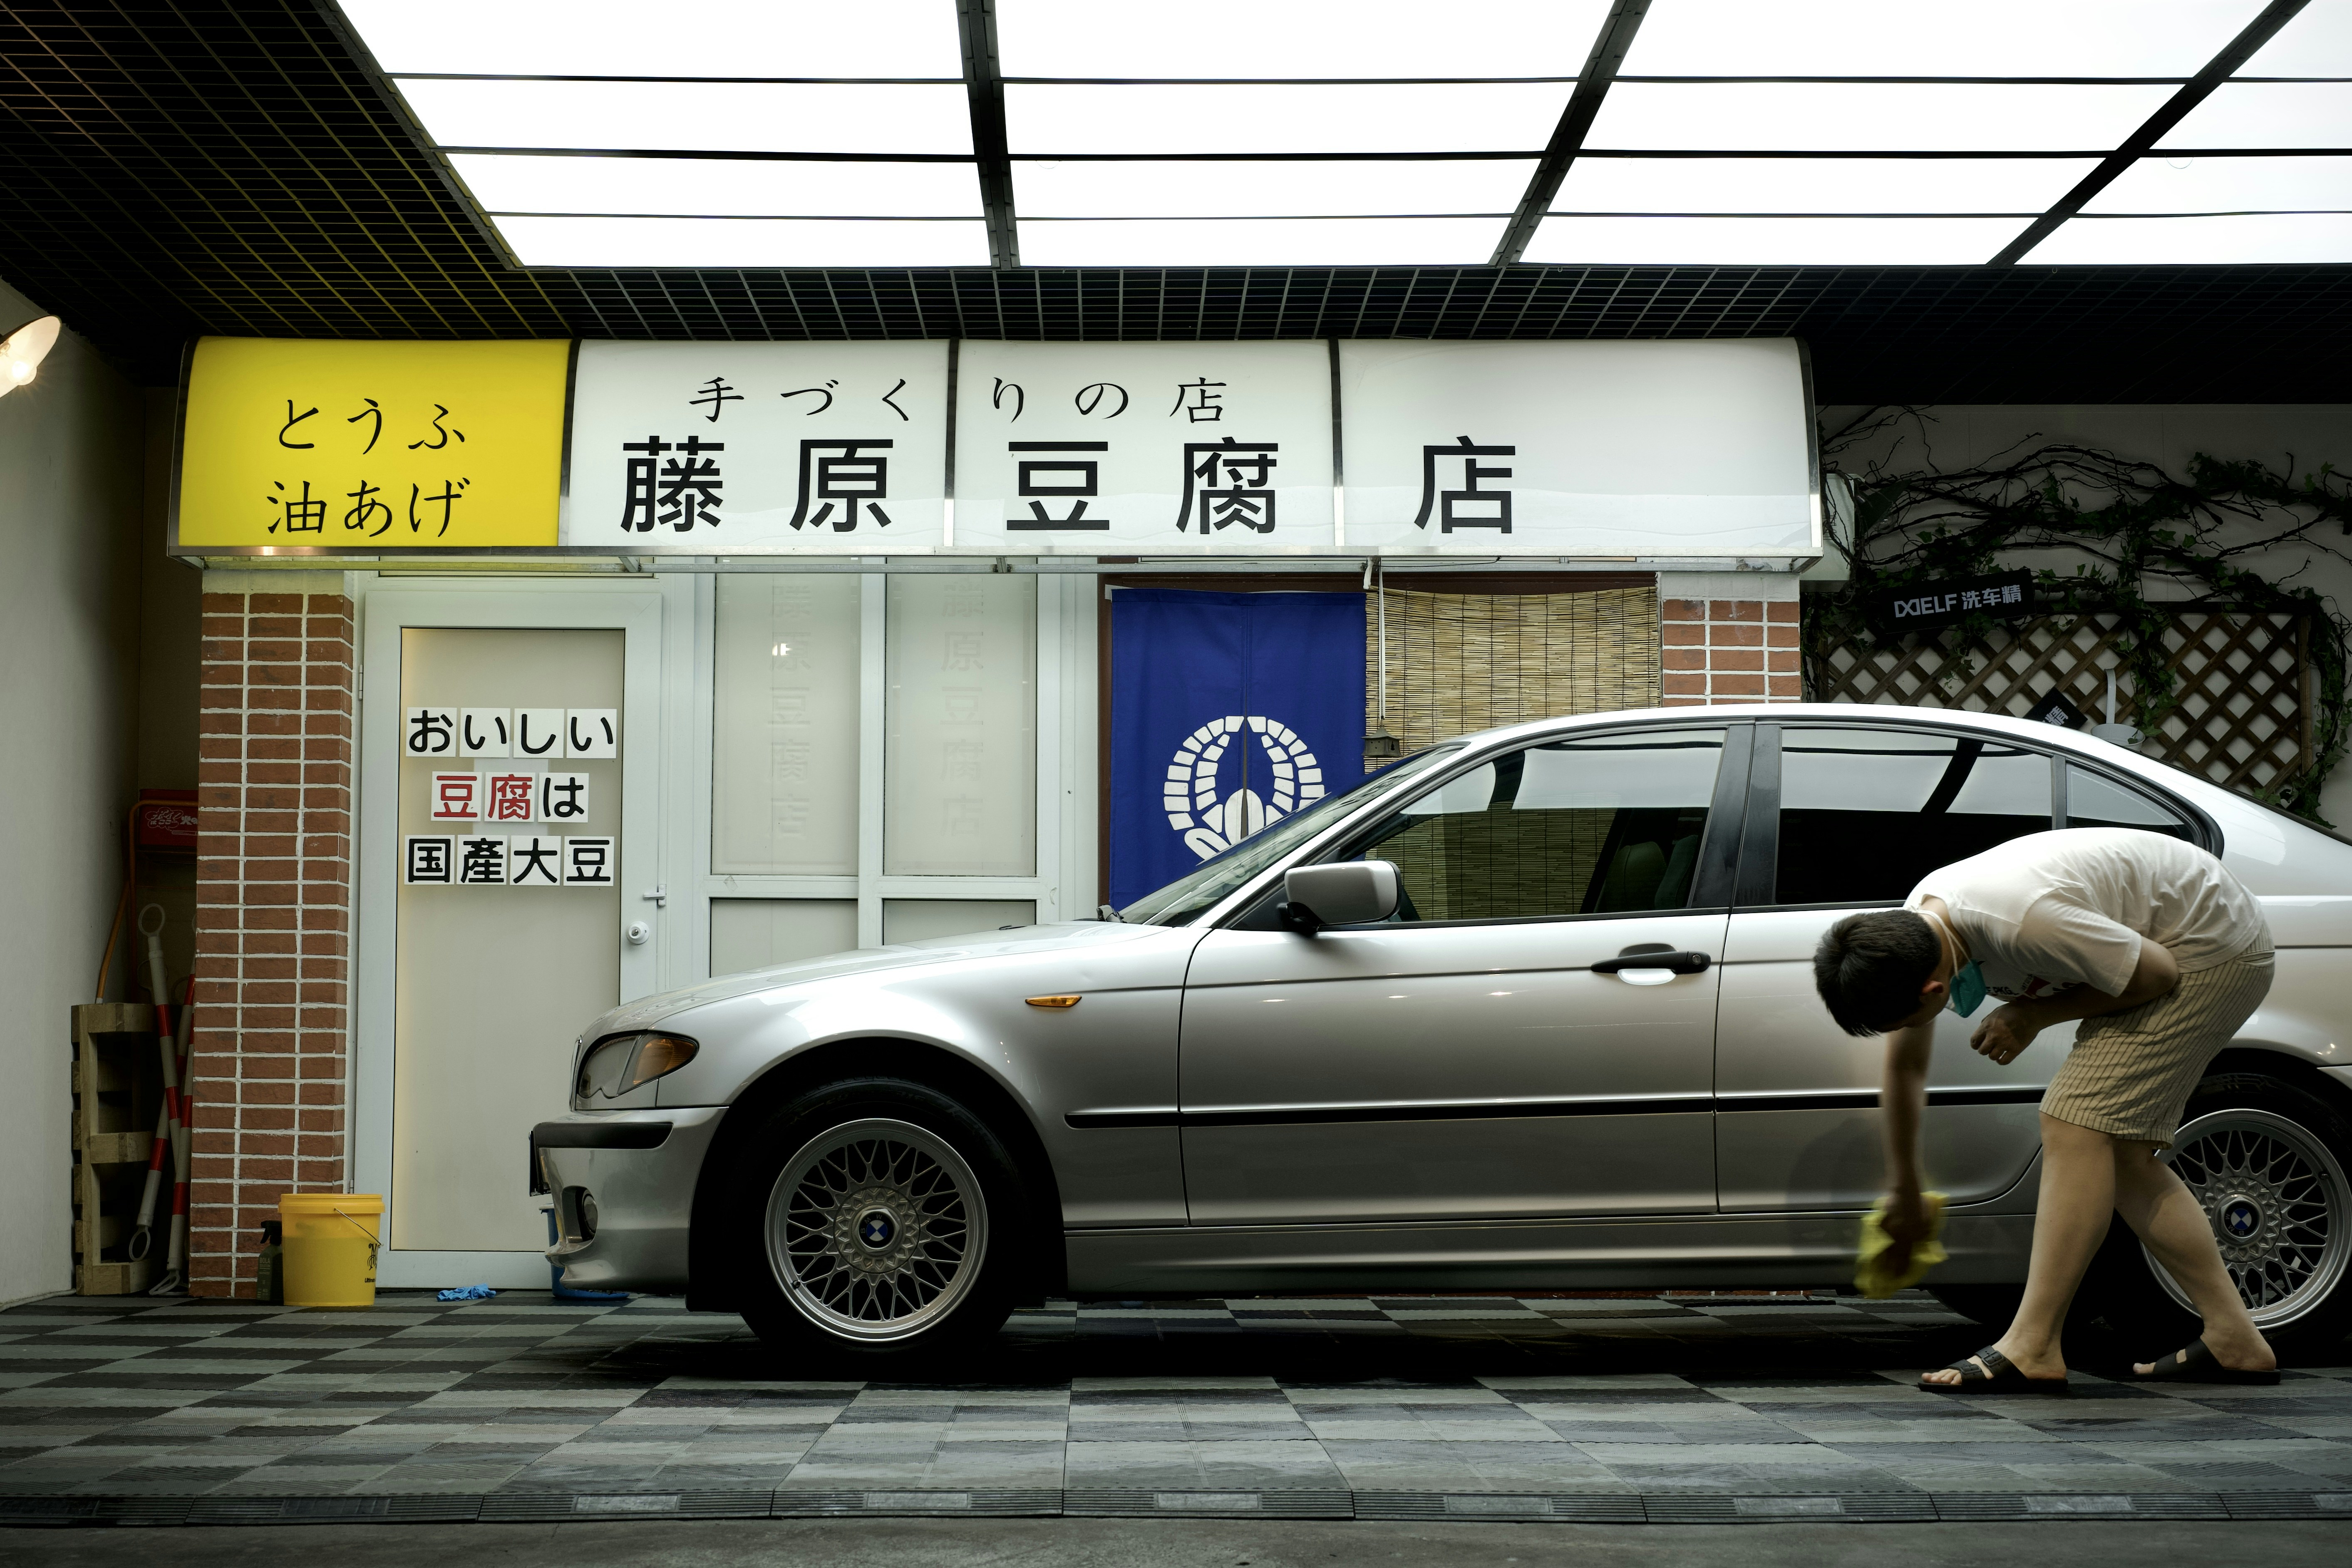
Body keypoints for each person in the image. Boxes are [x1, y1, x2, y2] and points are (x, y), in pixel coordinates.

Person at [1813, 826, 2277, 1391]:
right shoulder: (1914, 934)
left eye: (1910, 1021)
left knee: (2072, 1119)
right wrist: (1906, 1187)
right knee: (2120, 1152)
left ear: (1933, 992)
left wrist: (2032, 1015)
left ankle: (2033, 1343)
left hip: (2211, 951)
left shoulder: (2021, 922)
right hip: (2164, 941)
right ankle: (2235, 1338)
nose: (1910, 1033)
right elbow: (1907, 1069)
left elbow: (2157, 974)